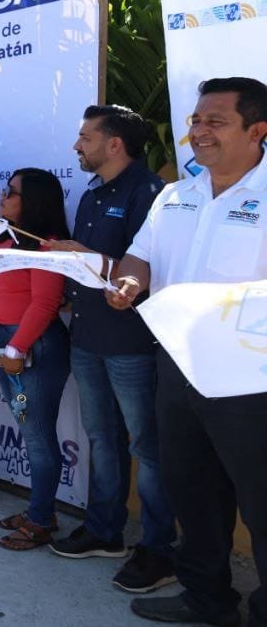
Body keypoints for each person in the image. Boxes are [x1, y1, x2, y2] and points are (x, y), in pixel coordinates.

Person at [109, 77, 267, 627]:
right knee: (192, 490)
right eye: (196, 121)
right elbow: (139, 256)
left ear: (257, 131)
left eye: (215, 122)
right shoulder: (175, 195)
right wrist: (129, 282)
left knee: (262, 499)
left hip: (251, 383)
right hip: (176, 370)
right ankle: (207, 600)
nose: (198, 132)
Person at [45, 105, 176, 594]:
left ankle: (159, 550)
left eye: (85, 137)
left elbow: (155, 269)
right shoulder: (91, 192)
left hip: (133, 346)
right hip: (88, 338)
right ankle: (105, 532)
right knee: (102, 439)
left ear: (114, 143)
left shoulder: (152, 194)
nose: (77, 146)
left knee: (149, 448)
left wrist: (91, 259)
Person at [0, 168, 72, 550]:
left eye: (12, 192)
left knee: (36, 434)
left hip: (31, 347)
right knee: (27, 425)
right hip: (6, 343)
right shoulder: (4, 240)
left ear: (33, 201)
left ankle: (40, 520)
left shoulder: (46, 245)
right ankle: (41, 510)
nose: (3, 196)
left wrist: (17, 349)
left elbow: (46, 303)